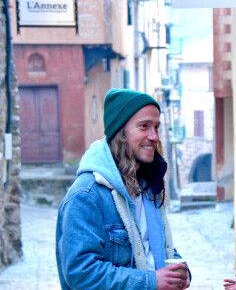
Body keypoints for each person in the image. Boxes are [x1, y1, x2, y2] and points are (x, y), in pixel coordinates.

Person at [56, 88, 191, 290]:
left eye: (156, 127)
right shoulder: (87, 195)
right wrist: (151, 281)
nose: (154, 136)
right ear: (120, 132)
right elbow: (80, 273)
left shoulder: (147, 186)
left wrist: (178, 269)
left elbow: (150, 247)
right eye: (144, 126)